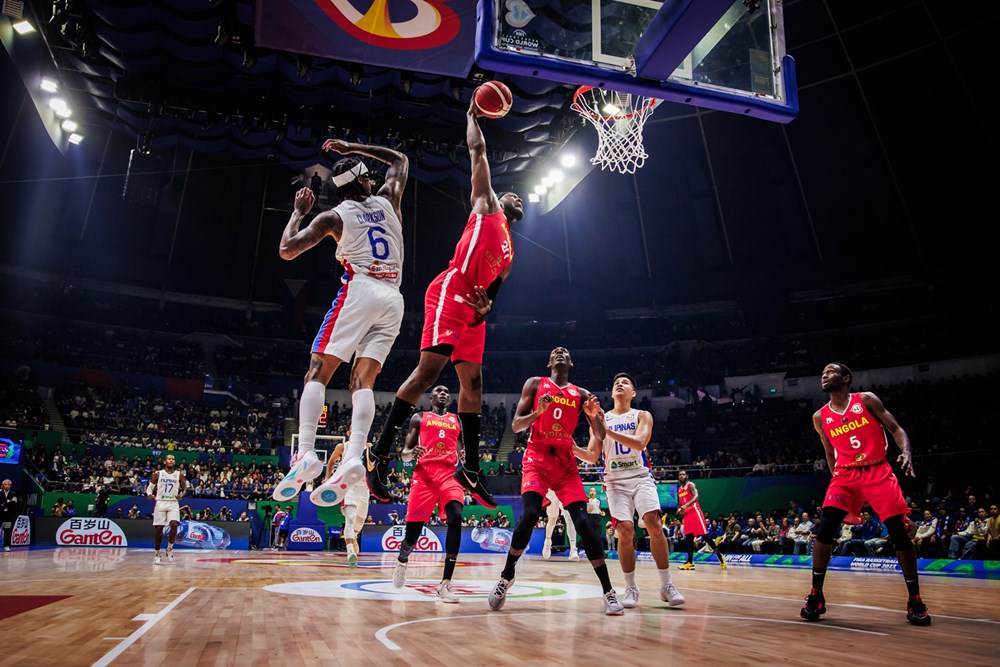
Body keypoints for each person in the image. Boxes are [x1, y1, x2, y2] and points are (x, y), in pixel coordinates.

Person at [366, 100, 524, 510]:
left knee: (473, 386)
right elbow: (478, 153)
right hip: (450, 290)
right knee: (428, 373)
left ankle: (470, 467)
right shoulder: (486, 205)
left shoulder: (509, 255)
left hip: (472, 310)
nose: (518, 198)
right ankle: (378, 454)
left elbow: (494, 292)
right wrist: (472, 117)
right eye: (514, 194)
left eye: (521, 198)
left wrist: (488, 306)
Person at [272, 138, 410, 506]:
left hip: (361, 289)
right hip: (394, 298)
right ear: (365, 180)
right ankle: (353, 456)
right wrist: (351, 145)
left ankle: (305, 453)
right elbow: (398, 158)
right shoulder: (389, 200)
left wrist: (298, 212)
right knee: (361, 381)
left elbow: (287, 250)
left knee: (317, 372)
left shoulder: (334, 216)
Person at [488, 347, 623, 614]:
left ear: (570, 362)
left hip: (564, 464)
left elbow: (601, 435)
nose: (560, 353)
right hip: (537, 459)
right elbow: (516, 425)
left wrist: (596, 417)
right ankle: (506, 576)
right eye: (555, 352)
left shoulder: (581, 394)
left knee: (583, 522)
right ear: (550, 361)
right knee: (529, 515)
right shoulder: (535, 384)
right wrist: (538, 413)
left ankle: (608, 591)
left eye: (564, 352)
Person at [801, 362, 931, 626]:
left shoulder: (866, 400)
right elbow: (828, 451)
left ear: (846, 378)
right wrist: (835, 476)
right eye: (822, 373)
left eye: (830, 371)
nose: (825, 375)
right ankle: (816, 594)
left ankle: (915, 599)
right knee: (825, 528)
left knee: (897, 531)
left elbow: (896, 429)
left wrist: (905, 452)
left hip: (876, 470)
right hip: (845, 475)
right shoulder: (819, 416)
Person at [576, 372, 684, 608]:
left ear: (633, 393)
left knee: (654, 523)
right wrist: (570, 446)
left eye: (625, 383)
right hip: (615, 481)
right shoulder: (599, 419)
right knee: (625, 531)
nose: (619, 384)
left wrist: (605, 429)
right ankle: (631, 588)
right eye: (616, 383)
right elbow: (592, 456)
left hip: (640, 476)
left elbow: (640, 442)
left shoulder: (642, 415)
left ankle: (666, 585)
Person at [391, 385, 466, 602]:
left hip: (449, 475)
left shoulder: (455, 420)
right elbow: (404, 453)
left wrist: (465, 455)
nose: (443, 393)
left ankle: (445, 584)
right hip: (424, 476)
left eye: (446, 391)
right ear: (431, 397)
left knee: (457, 517)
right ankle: (402, 560)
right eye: (439, 391)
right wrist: (410, 453)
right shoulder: (419, 418)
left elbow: (461, 450)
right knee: (412, 534)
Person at [319, 437, 371, 567]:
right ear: (349, 433)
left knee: (359, 524)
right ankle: (350, 551)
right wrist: (327, 478)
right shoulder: (342, 447)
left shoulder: (369, 447)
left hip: (364, 489)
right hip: (348, 487)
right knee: (351, 518)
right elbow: (331, 462)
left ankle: (353, 537)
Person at [676, 470, 726, 569]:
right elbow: (681, 503)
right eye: (680, 475)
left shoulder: (690, 485)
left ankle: (720, 557)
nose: (682, 476)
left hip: (695, 512)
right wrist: (678, 511)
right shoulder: (680, 490)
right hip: (687, 515)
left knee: (705, 536)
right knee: (689, 539)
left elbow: (696, 496)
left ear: (687, 476)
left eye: (683, 474)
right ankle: (690, 562)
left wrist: (685, 505)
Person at [147, 454, 187, 565]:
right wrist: (149, 494)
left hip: (173, 502)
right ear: (165, 461)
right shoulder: (158, 474)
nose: (171, 460)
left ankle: (169, 548)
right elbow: (149, 488)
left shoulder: (179, 475)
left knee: (174, 524)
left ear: (174, 462)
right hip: (160, 502)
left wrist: (181, 495)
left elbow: (184, 488)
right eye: (169, 459)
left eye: (173, 459)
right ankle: (157, 553)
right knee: (159, 529)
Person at [541, 488, 579, 560]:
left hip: (564, 489)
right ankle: (548, 541)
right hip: (551, 491)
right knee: (552, 521)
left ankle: (573, 548)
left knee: (569, 518)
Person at [1, 479, 18, 552]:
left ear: (10, 485)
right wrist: (7, 501)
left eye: (8, 484)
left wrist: (4, 503)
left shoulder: (13, 493)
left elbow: (14, 503)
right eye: (5, 484)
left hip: (7, 515)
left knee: (7, 531)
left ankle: (6, 546)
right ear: (2, 485)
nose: (6, 485)